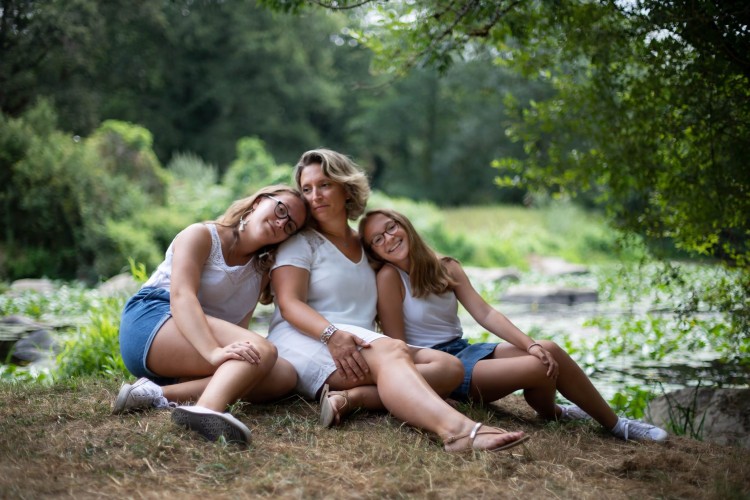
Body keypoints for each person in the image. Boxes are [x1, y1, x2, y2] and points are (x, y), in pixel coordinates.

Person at [267, 148, 529, 452]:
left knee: (448, 367)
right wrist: (332, 335)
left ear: (346, 188)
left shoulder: (367, 244)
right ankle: (457, 431)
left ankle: (358, 398)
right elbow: (289, 304)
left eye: (324, 185)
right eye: (307, 189)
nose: (315, 196)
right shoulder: (301, 243)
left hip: (361, 343)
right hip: (307, 339)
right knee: (393, 350)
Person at [359, 208, 669, 442]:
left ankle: (613, 424)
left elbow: (485, 313)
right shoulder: (389, 278)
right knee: (539, 367)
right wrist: (436, 388)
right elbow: (398, 347)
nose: (389, 238)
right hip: (439, 364)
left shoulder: (446, 266)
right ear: (374, 251)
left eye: (391, 227)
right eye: (377, 239)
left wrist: (529, 343)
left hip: (465, 350)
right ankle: (558, 413)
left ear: (405, 226)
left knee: (547, 350)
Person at [114, 185, 308, 445]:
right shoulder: (202, 235)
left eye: (290, 226)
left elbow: (238, 326)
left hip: (188, 348)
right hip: (152, 322)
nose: (281, 222)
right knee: (263, 351)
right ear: (259, 201)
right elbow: (181, 298)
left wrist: (227, 360)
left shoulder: (261, 273)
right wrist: (213, 353)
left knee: (284, 375)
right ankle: (206, 410)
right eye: (281, 209)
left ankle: (156, 393)